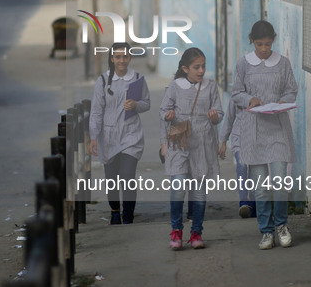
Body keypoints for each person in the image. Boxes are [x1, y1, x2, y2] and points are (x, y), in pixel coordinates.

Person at [231, 20, 298, 250]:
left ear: (273, 41)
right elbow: (236, 92)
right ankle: (266, 232)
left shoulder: (283, 63)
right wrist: (249, 100)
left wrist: (283, 101)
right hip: (254, 129)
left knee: (279, 182)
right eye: (259, 44)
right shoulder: (243, 64)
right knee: (260, 186)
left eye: (267, 44)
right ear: (252, 41)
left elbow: (292, 89)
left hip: (277, 126)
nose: (263, 49)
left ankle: (281, 226)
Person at [160, 47, 223, 250]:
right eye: (197, 67)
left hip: (203, 145)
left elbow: (219, 113)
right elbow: (163, 110)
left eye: (203, 66)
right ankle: (176, 230)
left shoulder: (211, 87)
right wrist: (168, 116)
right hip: (179, 143)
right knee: (178, 187)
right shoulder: (175, 86)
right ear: (186, 68)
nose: (201, 70)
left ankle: (196, 232)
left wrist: (214, 117)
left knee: (199, 192)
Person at [89, 42, 150, 225]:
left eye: (125, 56)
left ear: (130, 58)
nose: (122, 60)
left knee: (127, 176)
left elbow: (146, 103)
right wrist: (93, 136)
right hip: (108, 137)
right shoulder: (102, 81)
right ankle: (115, 211)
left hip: (131, 135)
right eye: (118, 57)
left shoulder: (138, 78)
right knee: (112, 179)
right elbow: (96, 111)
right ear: (112, 58)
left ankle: (128, 215)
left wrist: (136, 105)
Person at [219, 98, 256, 218]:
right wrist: (223, 141)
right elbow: (229, 118)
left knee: (255, 171)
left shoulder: (261, 90)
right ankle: (244, 202)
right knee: (242, 166)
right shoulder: (237, 95)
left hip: (257, 138)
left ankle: (254, 205)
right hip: (239, 138)